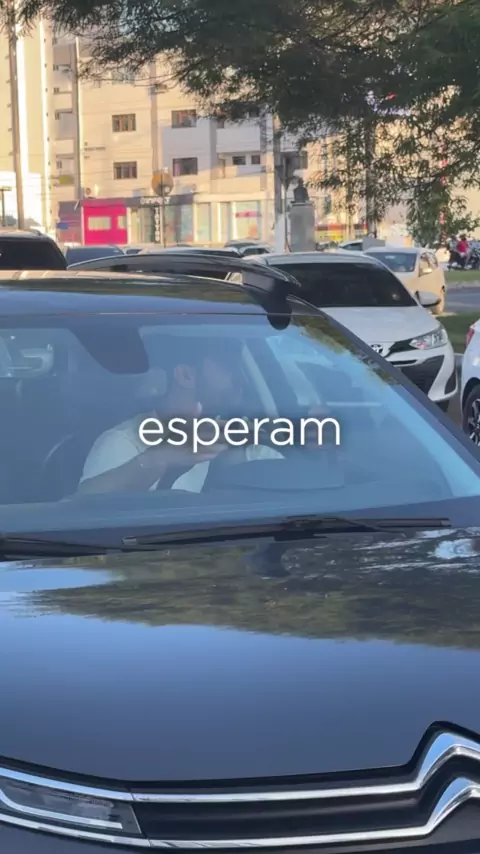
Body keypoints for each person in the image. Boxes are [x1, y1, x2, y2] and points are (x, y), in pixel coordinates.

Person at [77, 338, 282, 495]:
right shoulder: (122, 442)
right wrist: (159, 458)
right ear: (185, 375)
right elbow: (84, 507)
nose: (239, 378)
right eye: (226, 366)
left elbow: (278, 471)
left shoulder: (222, 432)